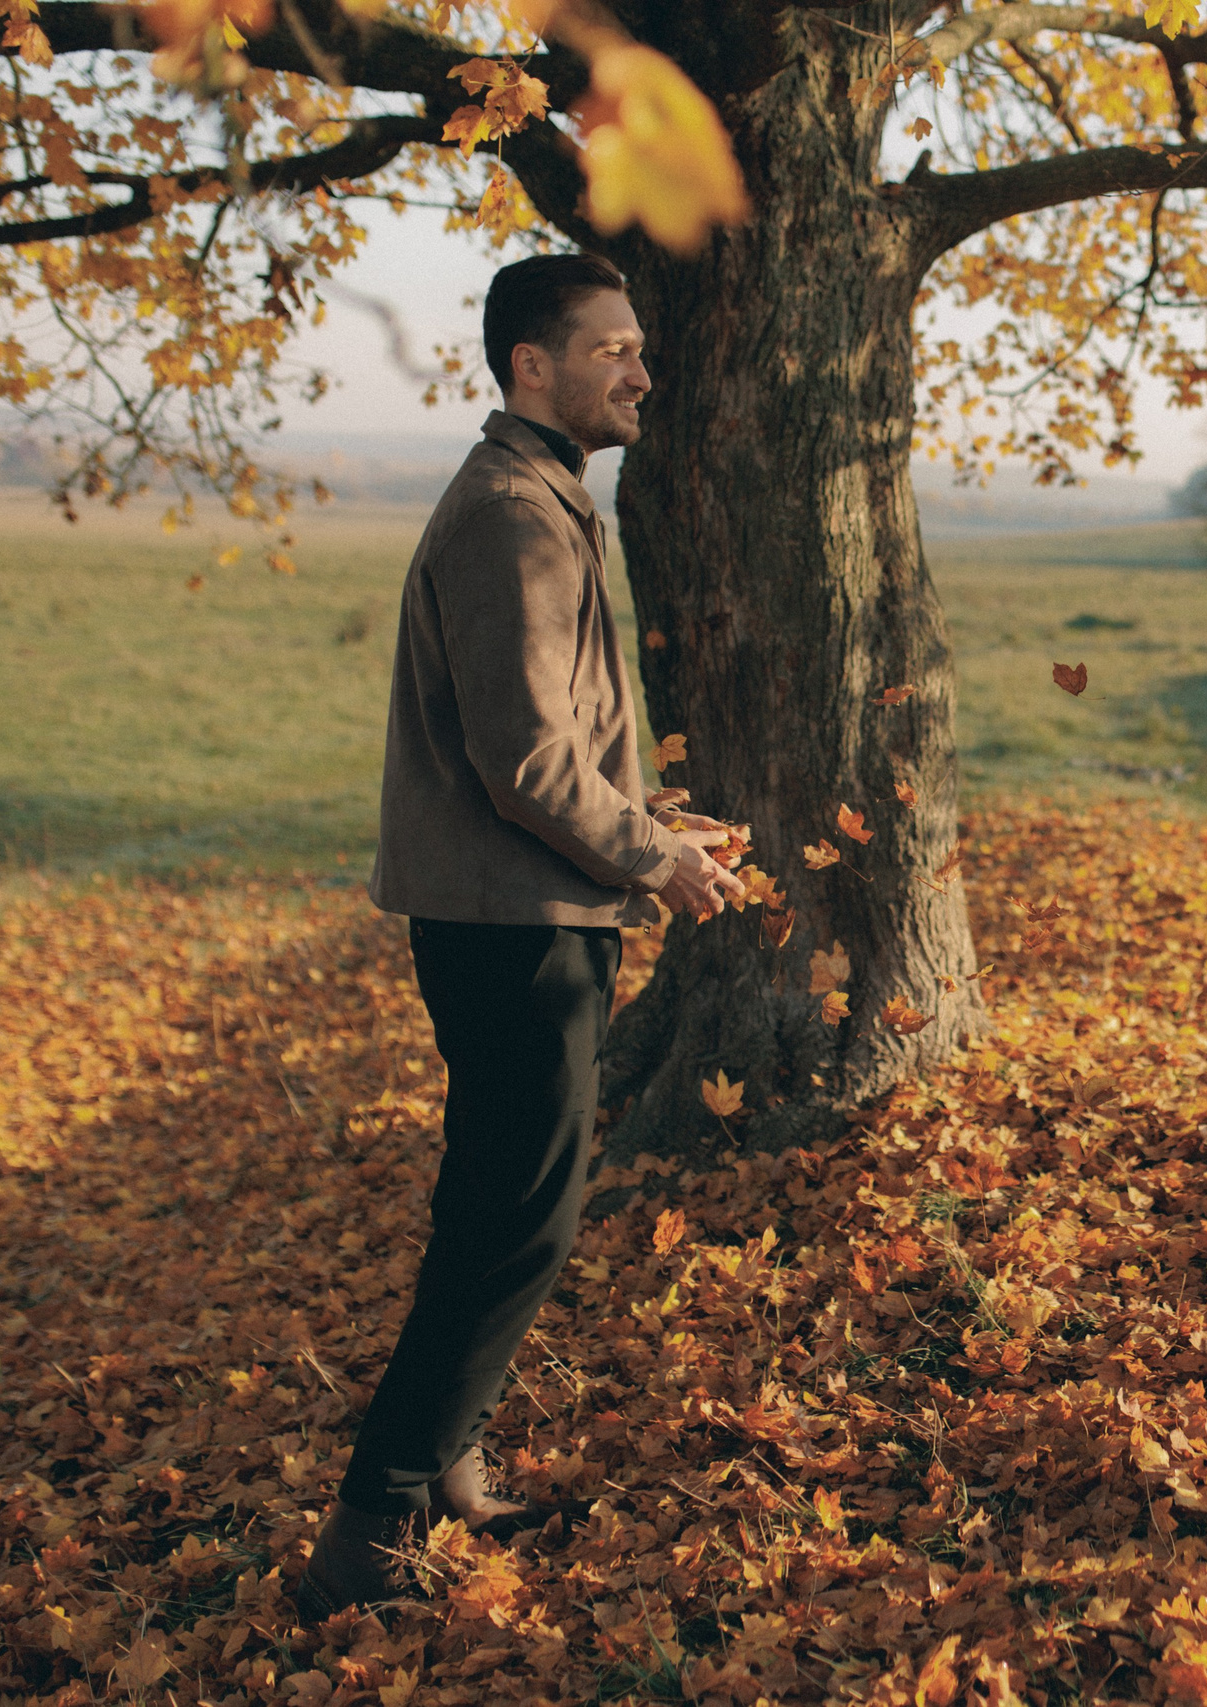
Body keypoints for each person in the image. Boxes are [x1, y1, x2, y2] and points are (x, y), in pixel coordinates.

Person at [300, 253, 746, 1617]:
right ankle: (370, 1526)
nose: (641, 370)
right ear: (531, 368)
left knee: (497, 1199)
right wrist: (650, 854)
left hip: (523, 903)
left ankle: (444, 1465)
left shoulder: (545, 499)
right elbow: (518, 759)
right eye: (612, 347)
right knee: (523, 1218)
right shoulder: (515, 515)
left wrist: (651, 809)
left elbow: (552, 737)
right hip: (511, 920)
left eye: (639, 347)